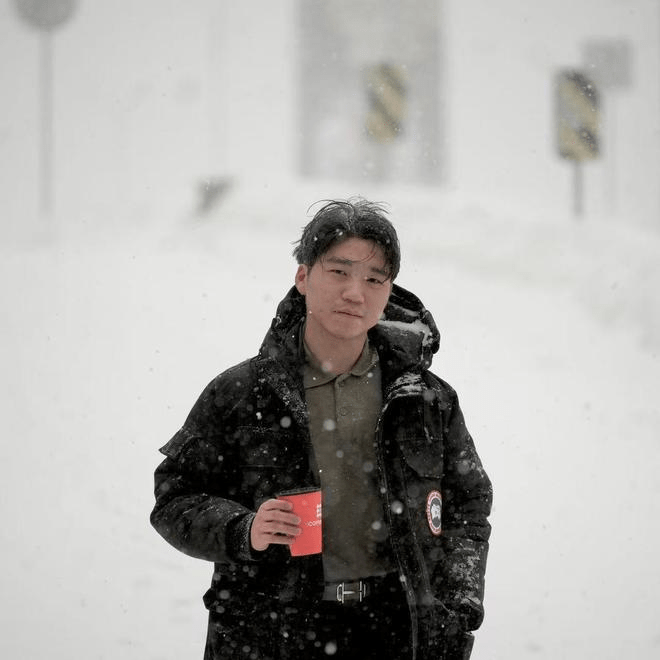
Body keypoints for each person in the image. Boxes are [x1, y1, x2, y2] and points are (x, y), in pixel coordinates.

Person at [150, 198, 492, 660]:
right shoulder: (242, 393)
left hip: (395, 632)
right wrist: (244, 529)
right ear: (303, 277)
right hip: (271, 634)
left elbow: (468, 506)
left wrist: (458, 606)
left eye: (375, 279)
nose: (356, 292)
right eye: (339, 272)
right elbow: (175, 499)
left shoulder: (425, 399)